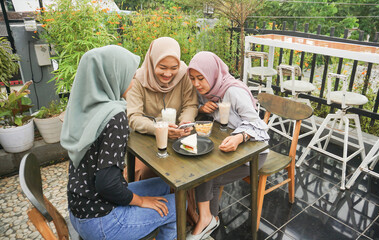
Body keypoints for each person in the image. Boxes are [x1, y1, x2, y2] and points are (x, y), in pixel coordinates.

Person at [60, 45, 177, 240]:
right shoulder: (114, 117)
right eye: (130, 76)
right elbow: (107, 184)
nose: (132, 82)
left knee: (163, 185)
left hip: (79, 213)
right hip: (102, 222)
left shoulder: (83, 109)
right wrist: (140, 201)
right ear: (113, 76)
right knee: (179, 205)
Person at [186, 51, 270, 240]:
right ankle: (209, 218)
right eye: (192, 78)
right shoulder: (206, 92)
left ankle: (207, 220)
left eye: (201, 78)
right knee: (202, 168)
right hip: (225, 147)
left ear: (213, 74)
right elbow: (199, 110)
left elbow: (259, 126)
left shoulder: (233, 91)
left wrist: (240, 136)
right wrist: (201, 108)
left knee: (208, 176)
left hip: (252, 152)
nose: (196, 84)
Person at [126, 37, 198, 181]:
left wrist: (185, 122)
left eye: (173, 68)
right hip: (147, 137)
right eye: (162, 67)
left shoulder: (184, 75)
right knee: (143, 172)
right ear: (152, 62)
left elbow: (190, 104)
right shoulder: (138, 80)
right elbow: (133, 117)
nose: (168, 74)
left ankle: (182, 203)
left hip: (178, 135)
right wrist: (158, 129)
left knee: (189, 172)